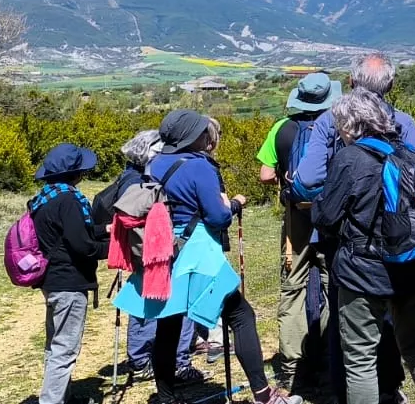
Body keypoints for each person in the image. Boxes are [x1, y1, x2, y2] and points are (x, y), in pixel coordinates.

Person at [145, 111, 300, 404]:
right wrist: (235, 205)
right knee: (241, 316)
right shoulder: (199, 167)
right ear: (195, 136)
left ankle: (165, 397)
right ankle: (264, 394)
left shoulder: (154, 164)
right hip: (197, 253)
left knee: (168, 324)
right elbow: (217, 217)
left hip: (163, 252)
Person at [296, 54, 415, 403]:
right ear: (391, 86)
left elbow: (307, 179)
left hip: (345, 240)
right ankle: (390, 386)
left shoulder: (329, 121)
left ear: (350, 83)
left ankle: (344, 392)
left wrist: (336, 190)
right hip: (399, 236)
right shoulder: (404, 122)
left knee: (346, 322)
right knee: (395, 317)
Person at [315, 90, 415, 404]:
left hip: (363, 272)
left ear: (348, 127)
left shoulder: (350, 158)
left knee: (360, 359)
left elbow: (325, 216)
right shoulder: (412, 154)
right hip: (411, 266)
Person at [95, 130, 202, 383]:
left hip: (141, 251)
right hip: (152, 252)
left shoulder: (128, 177)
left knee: (146, 303)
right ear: (150, 152)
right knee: (168, 303)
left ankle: (142, 360)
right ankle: (171, 362)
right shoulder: (140, 181)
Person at [256, 72, 338, 394]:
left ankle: (293, 369)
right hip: (331, 216)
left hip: (296, 220)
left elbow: (264, 174)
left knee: (293, 288)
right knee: (334, 286)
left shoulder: (282, 128)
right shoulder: (336, 125)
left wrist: (284, 175)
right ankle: (333, 362)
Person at [31, 143, 109, 404]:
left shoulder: (45, 199)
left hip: (52, 280)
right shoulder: (70, 200)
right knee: (64, 350)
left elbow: (67, 235)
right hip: (69, 282)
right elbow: (82, 246)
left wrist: (105, 230)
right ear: (77, 174)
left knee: (54, 345)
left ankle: (59, 396)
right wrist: (114, 248)